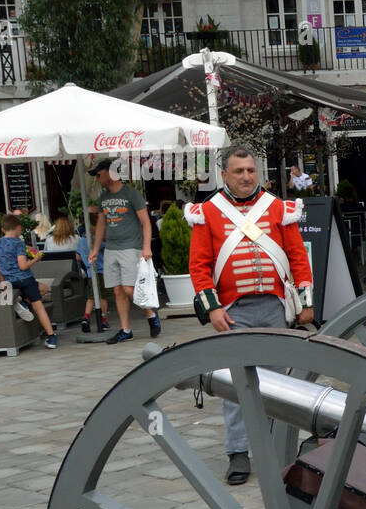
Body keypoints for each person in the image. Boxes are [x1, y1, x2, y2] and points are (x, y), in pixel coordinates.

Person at [187, 144, 315, 485]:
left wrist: (305, 301)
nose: (246, 177)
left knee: (278, 384)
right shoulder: (208, 212)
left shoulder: (277, 208)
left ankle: (276, 449)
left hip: (274, 307)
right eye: (239, 171)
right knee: (238, 386)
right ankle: (239, 452)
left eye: (250, 170)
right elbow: (199, 266)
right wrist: (212, 308)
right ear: (225, 175)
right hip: (232, 310)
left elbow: (297, 256)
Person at [86, 155, 160, 343]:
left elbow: (145, 222)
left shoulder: (131, 194)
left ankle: (150, 313)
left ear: (110, 173)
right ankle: (126, 329)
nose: (97, 178)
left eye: (99, 175)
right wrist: (95, 248)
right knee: (117, 290)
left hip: (130, 247)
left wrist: (146, 247)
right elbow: (102, 223)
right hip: (111, 248)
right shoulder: (104, 197)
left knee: (129, 289)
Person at [0, 214, 57, 348]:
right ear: (18, 228)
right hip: (24, 279)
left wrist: (2, 282)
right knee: (38, 306)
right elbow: (23, 266)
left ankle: (23, 302)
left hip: (10, 281)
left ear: (3, 229)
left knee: (43, 288)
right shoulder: (18, 243)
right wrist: (35, 259)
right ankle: (51, 336)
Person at [77, 206, 110, 333]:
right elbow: (107, 246)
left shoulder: (81, 241)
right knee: (103, 297)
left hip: (90, 272)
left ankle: (86, 317)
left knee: (91, 297)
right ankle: (104, 320)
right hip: (101, 270)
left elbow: (77, 257)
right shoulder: (97, 239)